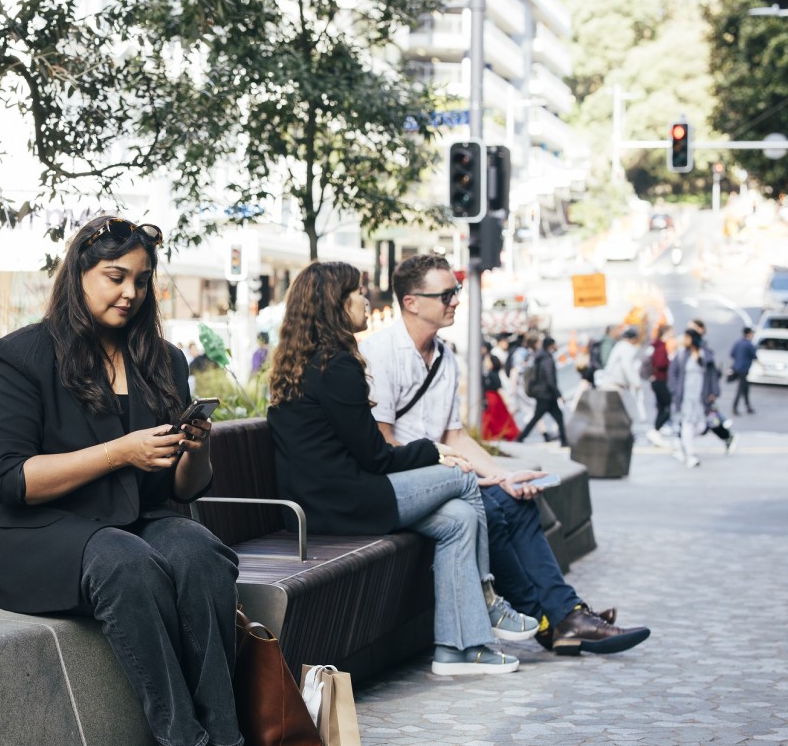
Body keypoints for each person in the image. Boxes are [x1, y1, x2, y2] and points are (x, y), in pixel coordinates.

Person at [0, 215, 248, 746]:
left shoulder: (163, 361)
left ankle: (226, 736)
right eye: (115, 277)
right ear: (78, 274)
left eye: (142, 281)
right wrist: (119, 452)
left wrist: (195, 450)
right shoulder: (21, 357)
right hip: (44, 529)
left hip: (139, 518)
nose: (131, 293)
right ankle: (181, 743)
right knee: (125, 561)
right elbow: (9, 478)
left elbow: (184, 490)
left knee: (200, 551)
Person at [362, 254, 648, 656]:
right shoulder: (380, 353)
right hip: (406, 483)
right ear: (411, 302)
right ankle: (556, 620)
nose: (455, 301)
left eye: (457, 291)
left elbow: (456, 436)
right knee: (491, 509)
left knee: (515, 499)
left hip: (448, 474)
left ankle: (565, 615)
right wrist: (458, 471)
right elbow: (384, 442)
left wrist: (502, 476)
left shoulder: (445, 358)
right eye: (445, 294)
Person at [267, 261, 536, 677]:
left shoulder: (304, 364)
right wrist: (432, 452)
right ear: (334, 305)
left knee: (460, 518)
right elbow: (376, 456)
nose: (366, 300)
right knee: (463, 477)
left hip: (321, 501)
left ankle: (455, 650)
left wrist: (433, 453)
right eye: (357, 293)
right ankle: (485, 595)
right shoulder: (338, 367)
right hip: (345, 504)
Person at [669, 329, 721, 469]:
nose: (685, 341)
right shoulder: (681, 355)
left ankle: (682, 442)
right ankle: (691, 455)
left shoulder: (706, 355)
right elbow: (673, 374)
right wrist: (674, 390)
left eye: (687, 338)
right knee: (687, 424)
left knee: (701, 427)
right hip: (686, 396)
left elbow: (713, 375)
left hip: (700, 396)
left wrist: (714, 392)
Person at [688, 319, 735, 452]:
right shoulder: (689, 350)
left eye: (692, 327)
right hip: (694, 393)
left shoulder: (703, 350)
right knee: (696, 419)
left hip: (704, 392)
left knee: (710, 419)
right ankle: (684, 445)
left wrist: (713, 391)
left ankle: (727, 436)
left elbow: (711, 373)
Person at [517, 337, 567, 447]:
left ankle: (521, 437)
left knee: (540, 418)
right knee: (553, 417)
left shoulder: (540, 357)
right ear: (550, 345)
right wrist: (559, 394)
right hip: (547, 395)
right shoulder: (547, 359)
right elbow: (550, 379)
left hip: (543, 395)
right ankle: (564, 441)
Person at [601, 327, 645, 424]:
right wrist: (635, 382)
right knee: (616, 412)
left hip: (610, 382)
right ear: (633, 338)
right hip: (614, 384)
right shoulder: (626, 348)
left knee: (615, 411)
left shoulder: (620, 346)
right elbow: (627, 367)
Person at [481, 344, 518, 442]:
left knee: (491, 418)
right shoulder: (491, 374)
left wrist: (507, 400)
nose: (485, 362)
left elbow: (499, 388)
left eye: (487, 361)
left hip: (492, 398)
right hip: (493, 398)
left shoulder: (492, 375)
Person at [649, 324, 673, 438]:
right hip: (660, 379)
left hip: (657, 379)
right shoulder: (661, 347)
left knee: (662, 406)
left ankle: (657, 429)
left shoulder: (658, 345)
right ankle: (656, 428)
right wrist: (669, 363)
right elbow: (660, 363)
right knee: (668, 404)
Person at [729, 327, 757, 415]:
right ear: (749, 334)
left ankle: (748, 406)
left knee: (745, 388)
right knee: (741, 388)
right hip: (744, 369)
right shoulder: (748, 344)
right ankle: (735, 407)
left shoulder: (738, 342)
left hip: (737, 368)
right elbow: (754, 356)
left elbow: (732, 354)